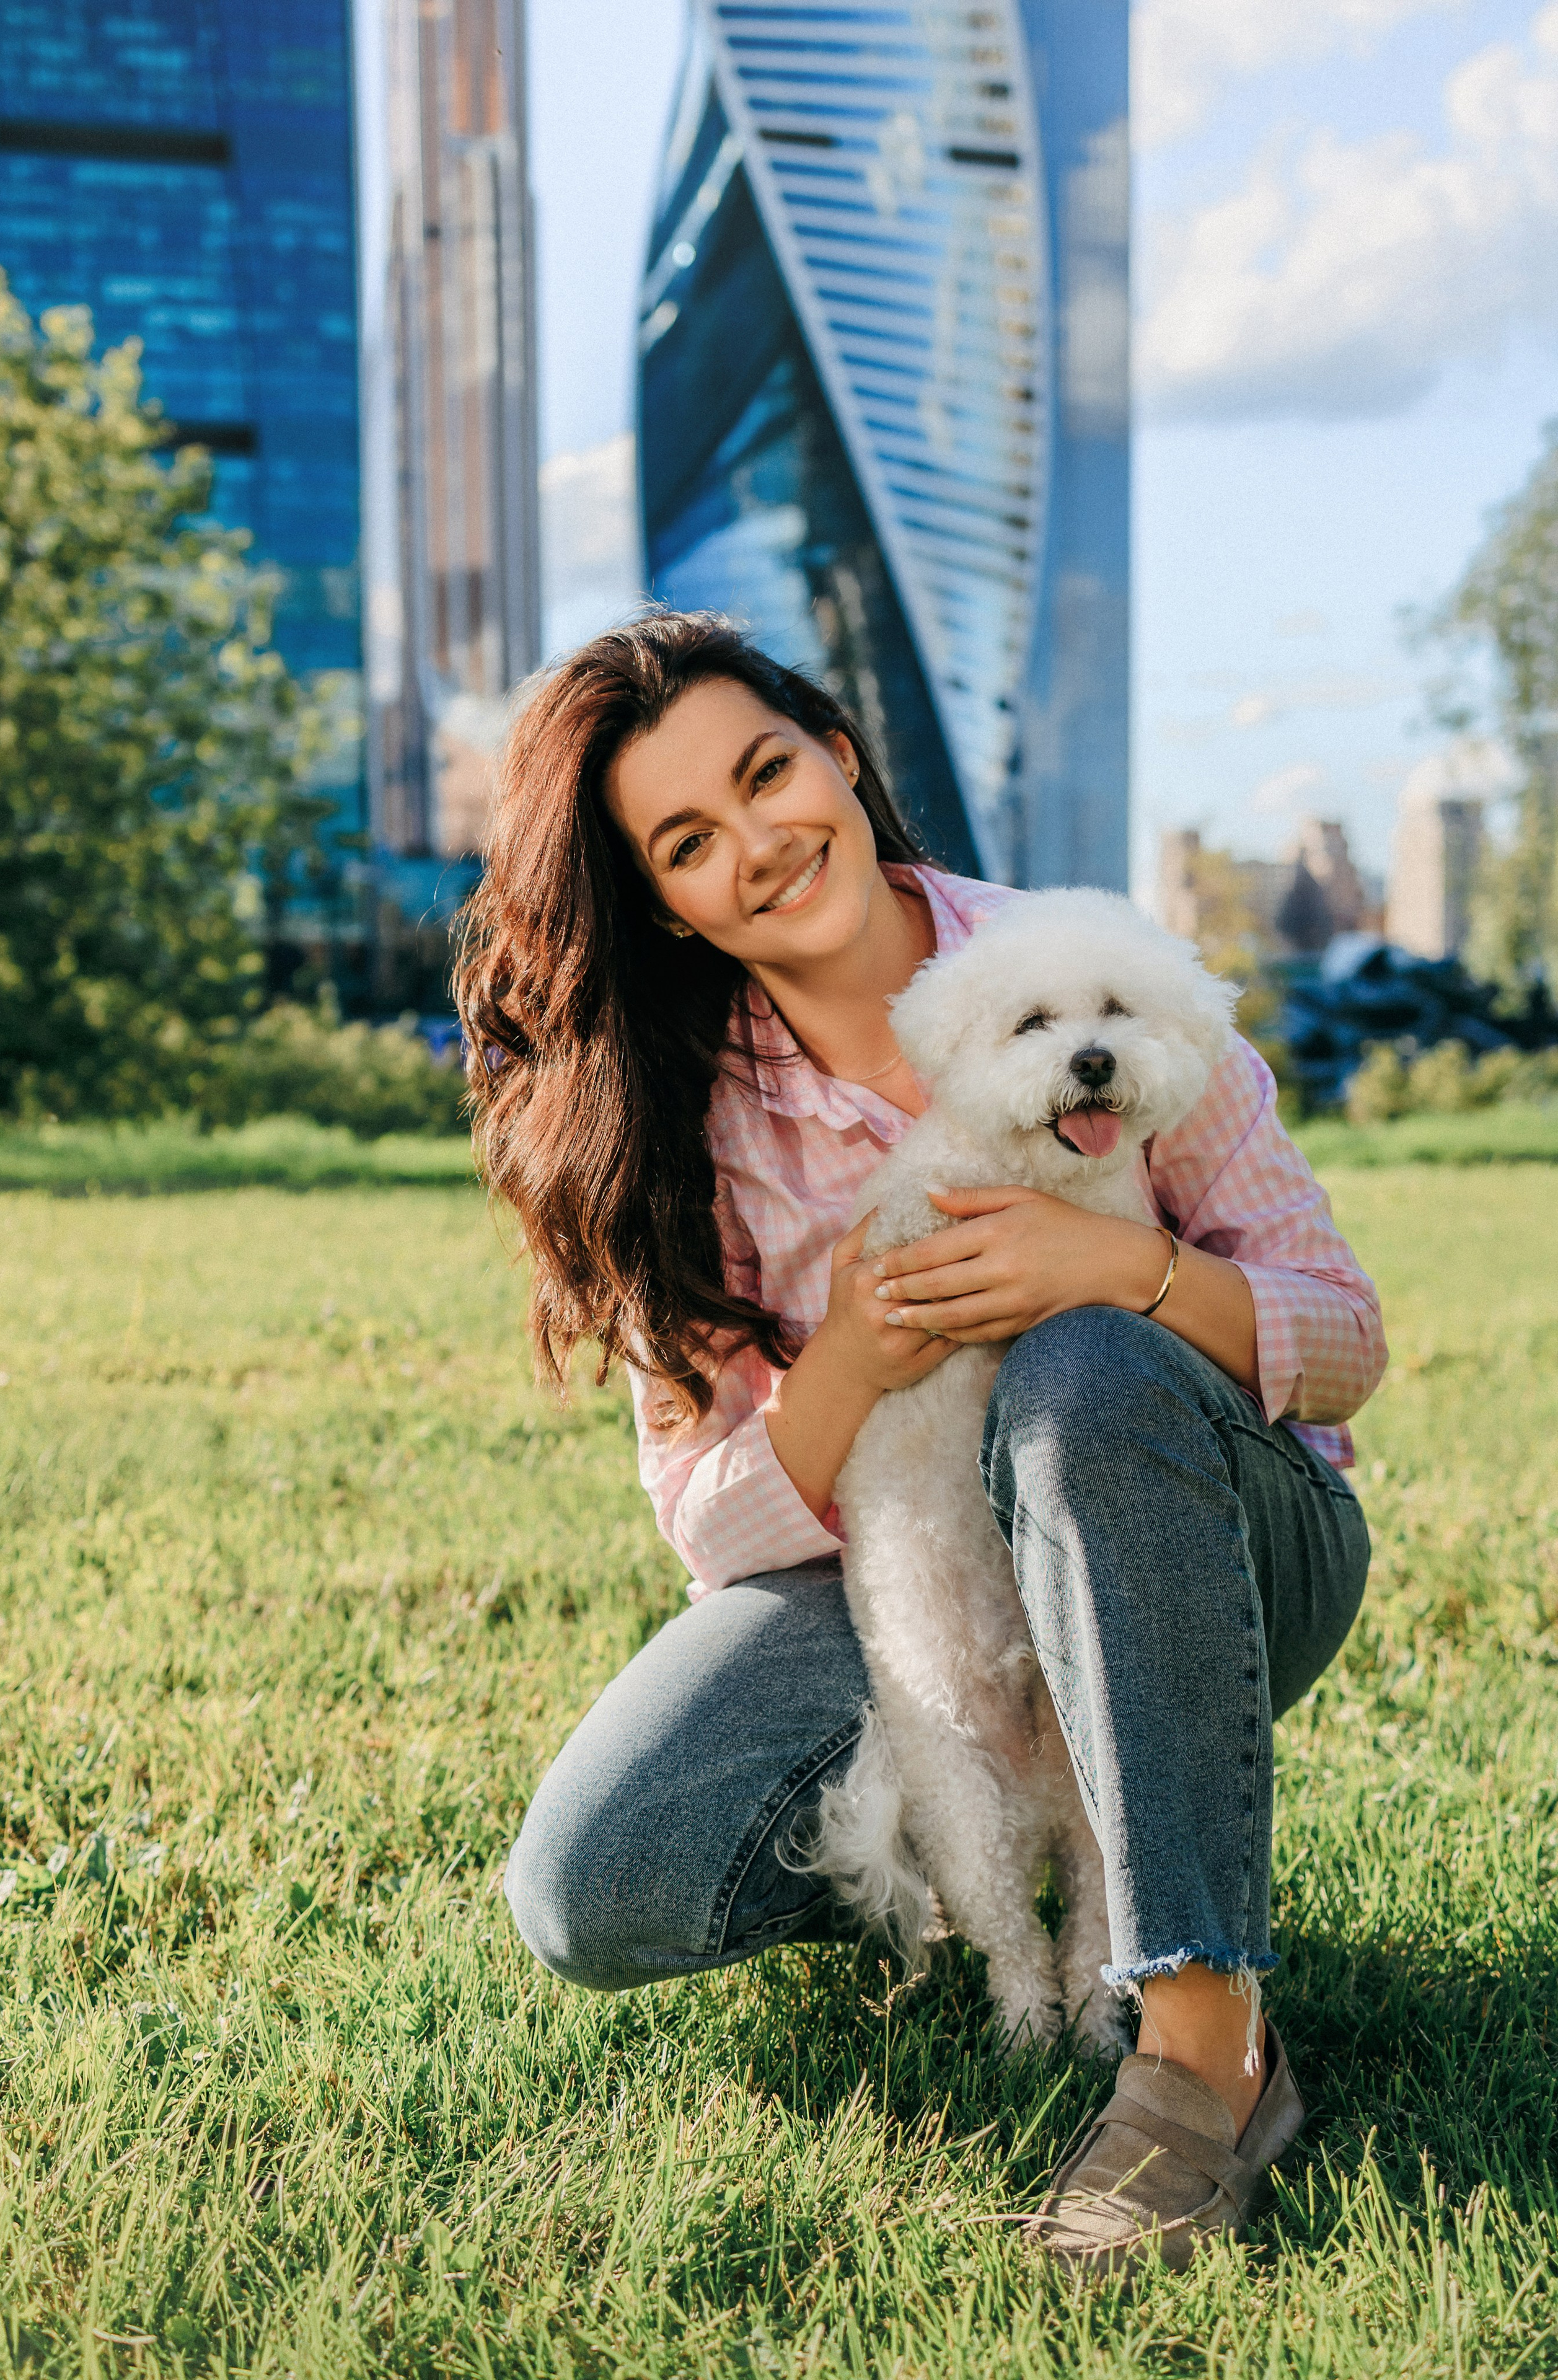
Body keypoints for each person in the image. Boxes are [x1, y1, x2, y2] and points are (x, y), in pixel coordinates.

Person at [455, 614, 1383, 2275]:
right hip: (908, 1573)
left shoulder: (1092, 968)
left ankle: (1204, 2052)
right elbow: (718, 1532)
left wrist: (1122, 1271)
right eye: (686, 840)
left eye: (768, 772)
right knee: (598, 1879)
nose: (757, 843)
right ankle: (971, 1855)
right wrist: (862, 1354)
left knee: (1084, 1376)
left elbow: (1346, 1338)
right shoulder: (676, 1123)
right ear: (659, 896)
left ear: (844, 757)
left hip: (1219, 1543)